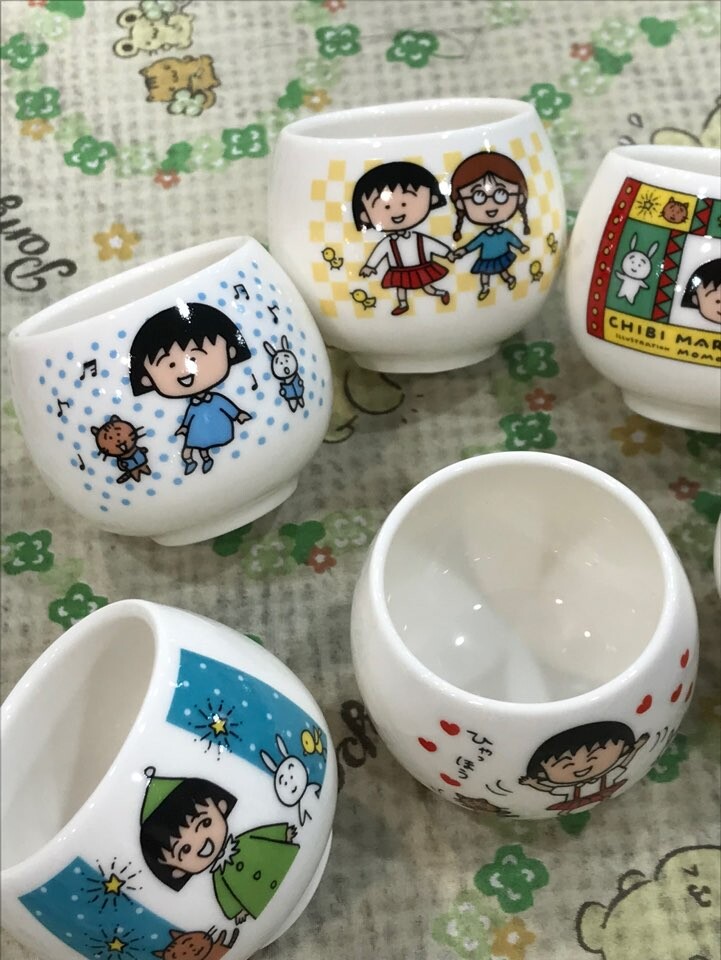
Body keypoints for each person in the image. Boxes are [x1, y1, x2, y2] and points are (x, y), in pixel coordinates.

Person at [139, 768, 299, 925]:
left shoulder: (245, 841)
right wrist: (237, 912)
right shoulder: (220, 878)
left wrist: (283, 833)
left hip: (291, 866)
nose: (201, 843)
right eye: (185, 849)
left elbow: (263, 834)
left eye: (205, 823)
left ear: (221, 806)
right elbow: (225, 896)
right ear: (177, 871)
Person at [129, 301, 252, 475]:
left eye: (194, 358)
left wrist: (238, 415)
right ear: (147, 379)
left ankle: (201, 460)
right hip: (198, 430)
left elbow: (228, 407)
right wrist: (184, 428)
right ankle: (200, 460)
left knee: (199, 446)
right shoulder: (195, 406)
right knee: (197, 446)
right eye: (171, 365)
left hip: (214, 427)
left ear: (231, 351)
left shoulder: (214, 400)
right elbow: (189, 418)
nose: (184, 371)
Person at [352, 161, 452, 316]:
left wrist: (447, 253)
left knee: (427, 287)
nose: (396, 213)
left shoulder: (419, 238)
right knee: (401, 288)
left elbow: (433, 245)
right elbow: (379, 253)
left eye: (404, 203)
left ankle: (442, 293)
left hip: (421, 267)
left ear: (431, 199)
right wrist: (370, 266)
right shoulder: (388, 242)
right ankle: (403, 304)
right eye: (386, 207)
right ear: (365, 216)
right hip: (399, 270)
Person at [449, 151, 531, 300]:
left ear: (519, 197)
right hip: (486, 258)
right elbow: (473, 244)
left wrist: (521, 247)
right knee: (486, 273)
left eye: (501, 194)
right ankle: (486, 288)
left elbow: (512, 239)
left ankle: (509, 280)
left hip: (500, 255)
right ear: (460, 203)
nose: (490, 205)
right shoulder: (484, 236)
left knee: (502, 270)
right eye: (478, 196)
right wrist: (462, 251)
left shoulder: (503, 233)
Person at [519, 721, 649, 813]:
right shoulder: (567, 788)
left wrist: (635, 748)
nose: (581, 768)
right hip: (577, 802)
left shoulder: (609, 775)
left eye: (593, 757)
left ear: (623, 749)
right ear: (542, 773)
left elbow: (623, 763)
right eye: (567, 765)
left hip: (605, 795)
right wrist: (532, 783)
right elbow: (549, 788)